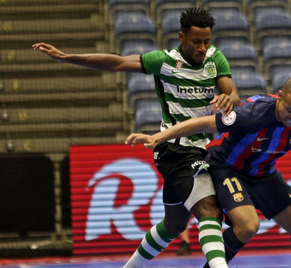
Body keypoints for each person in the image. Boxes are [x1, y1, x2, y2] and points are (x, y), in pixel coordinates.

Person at [33, 7, 241, 268]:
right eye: (196, 42)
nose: (202, 47)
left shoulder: (215, 59)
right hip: (174, 149)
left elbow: (233, 94)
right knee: (209, 209)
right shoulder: (165, 60)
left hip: (204, 149)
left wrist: (228, 98)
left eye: (206, 42)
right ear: (181, 37)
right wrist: (67, 57)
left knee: (175, 223)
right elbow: (117, 63)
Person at [125, 76, 291, 268]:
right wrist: (158, 137)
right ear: (279, 96)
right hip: (227, 168)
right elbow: (204, 124)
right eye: (289, 110)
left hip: (264, 174)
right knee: (248, 226)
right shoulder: (251, 114)